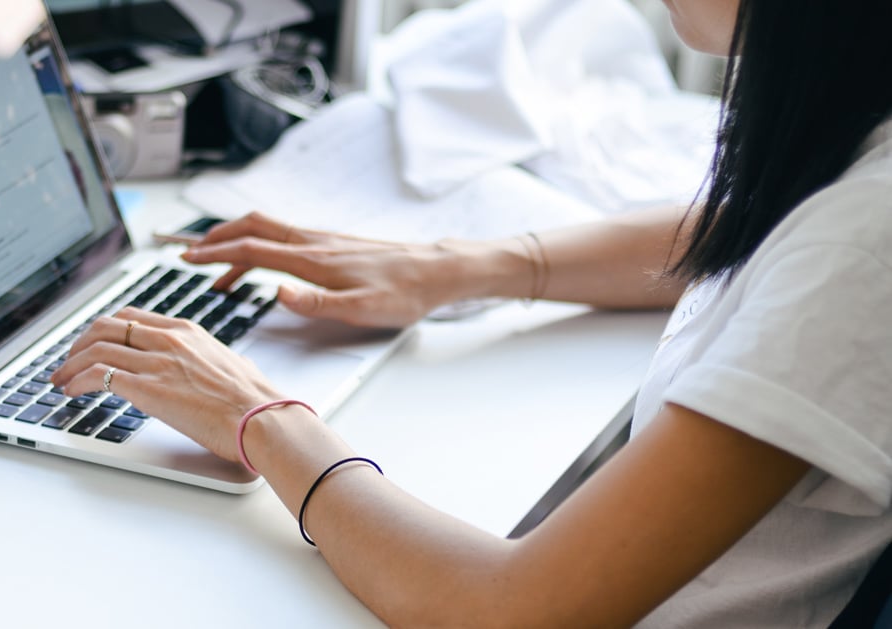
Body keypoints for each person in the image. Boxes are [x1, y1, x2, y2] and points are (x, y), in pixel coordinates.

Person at [52, 0, 892, 625]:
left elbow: (507, 610)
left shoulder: (862, 247)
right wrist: (459, 266)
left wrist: (258, 416)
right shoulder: (856, 141)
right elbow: (753, 228)